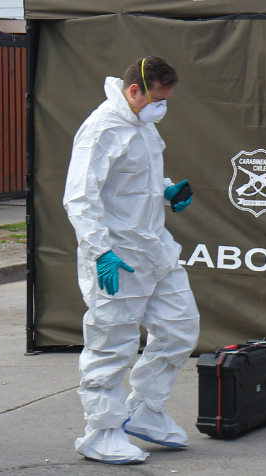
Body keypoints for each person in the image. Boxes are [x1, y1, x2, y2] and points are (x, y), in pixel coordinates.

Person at [64, 56, 198, 465]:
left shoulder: (141, 125)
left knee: (180, 328)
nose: (162, 107)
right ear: (134, 90)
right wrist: (101, 250)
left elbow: (133, 181)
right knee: (112, 344)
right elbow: (81, 197)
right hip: (116, 255)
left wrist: (166, 189)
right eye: (157, 99)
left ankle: (145, 411)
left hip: (154, 248)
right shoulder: (102, 129)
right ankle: (101, 432)